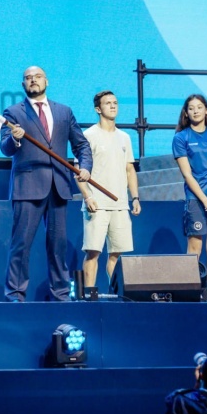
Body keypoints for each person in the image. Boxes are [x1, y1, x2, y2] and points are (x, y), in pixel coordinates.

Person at [1, 66, 93, 301]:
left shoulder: (64, 111)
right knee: (21, 245)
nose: (33, 80)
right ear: (23, 84)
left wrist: (85, 167)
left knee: (58, 245)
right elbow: (5, 148)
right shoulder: (13, 112)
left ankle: (61, 295)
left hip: (58, 185)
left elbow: (81, 145)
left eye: (38, 77)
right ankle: (15, 295)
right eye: (28, 78)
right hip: (27, 186)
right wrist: (14, 139)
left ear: (46, 81)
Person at [76, 90, 141, 291]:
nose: (113, 106)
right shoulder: (88, 136)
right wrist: (88, 197)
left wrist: (135, 198)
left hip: (120, 204)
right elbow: (79, 172)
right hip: (97, 204)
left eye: (115, 103)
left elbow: (129, 170)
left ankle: (117, 295)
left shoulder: (125, 137)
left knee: (116, 254)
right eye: (108, 103)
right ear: (98, 109)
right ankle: (89, 295)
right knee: (93, 252)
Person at [172, 94, 207, 302]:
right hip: (196, 201)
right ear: (186, 113)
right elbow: (187, 175)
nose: (195, 111)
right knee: (194, 250)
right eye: (191, 108)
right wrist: (206, 201)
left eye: (199, 107)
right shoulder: (181, 138)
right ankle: (192, 295)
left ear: (206, 111)